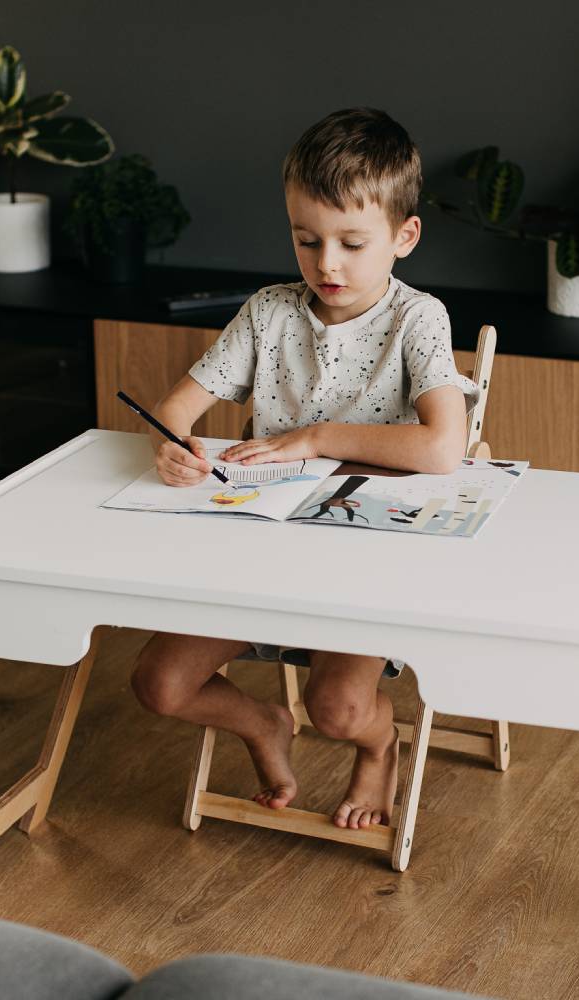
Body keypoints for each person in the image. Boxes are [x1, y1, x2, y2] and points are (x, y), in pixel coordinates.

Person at [130, 107, 477, 831]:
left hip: (365, 556)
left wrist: (315, 437)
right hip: (259, 547)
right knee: (158, 685)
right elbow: (177, 408)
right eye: (306, 239)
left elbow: (445, 448)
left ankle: (381, 748)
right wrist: (173, 442)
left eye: (353, 242)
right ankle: (261, 724)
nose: (327, 265)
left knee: (341, 710)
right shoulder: (269, 313)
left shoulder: (419, 321)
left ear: (404, 236)